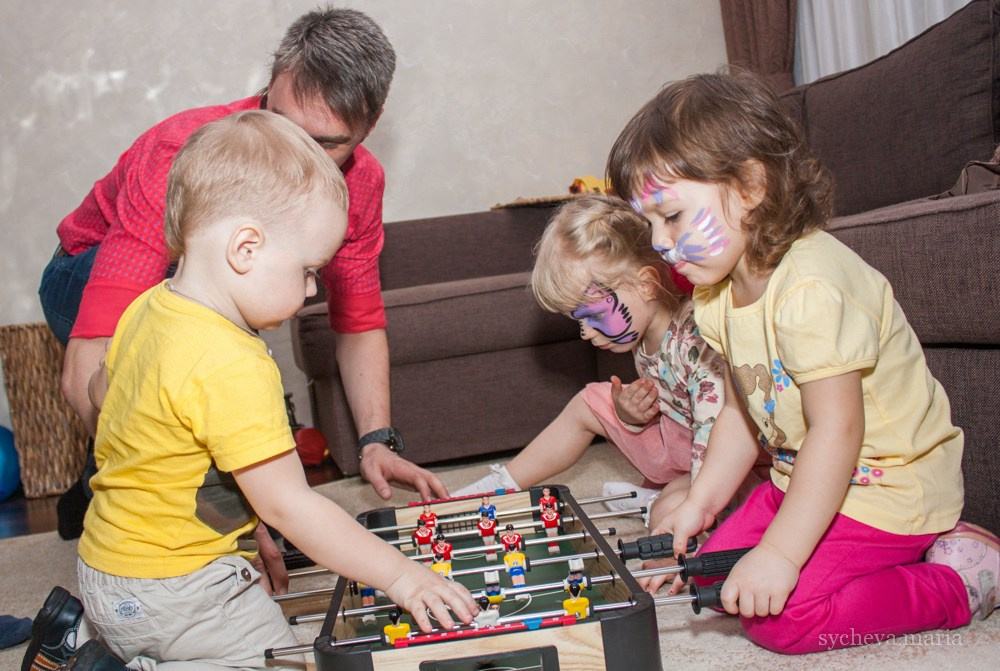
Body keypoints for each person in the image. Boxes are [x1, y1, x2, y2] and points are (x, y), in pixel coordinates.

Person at [26, 111, 475, 671]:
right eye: (309, 270)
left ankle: (76, 638)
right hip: (180, 590)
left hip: (105, 568)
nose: (313, 289)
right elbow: (291, 506)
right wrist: (401, 575)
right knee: (284, 660)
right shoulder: (234, 364)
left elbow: (99, 391)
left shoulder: (147, 307)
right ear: (246, 249)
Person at [606, 70, 999, 653]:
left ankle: (960, 580)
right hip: (804, 478)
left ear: (749, 187)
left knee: (781, 620)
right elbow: (743, 409)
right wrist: (700, 503)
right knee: (717, 575)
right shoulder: (715, 294)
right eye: (650, 225)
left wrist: (782, 555)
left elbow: (837, 431)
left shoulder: (811, 289)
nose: (660, 243)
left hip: (887, 488)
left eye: (673, 216)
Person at [38, 5, 448, 546]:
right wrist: (219, 508)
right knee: (183, 374)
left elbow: (358, 320)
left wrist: (376, 440)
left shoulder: (362, 183)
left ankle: (97, 487)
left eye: (325, 144)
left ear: (369, 129)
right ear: (269, 85)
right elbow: (82, 376)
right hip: (82, 271)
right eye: (281, 123)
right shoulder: (178, 156)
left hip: (202, 294)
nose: (293, 153)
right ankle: (108, 490)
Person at [454, 196, 762, 532]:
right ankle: (499, 486)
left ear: (646, 285)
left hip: (718, 461)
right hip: (674, 441)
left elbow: (717, 430)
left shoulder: (698, 340)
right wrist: (631, 415)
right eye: (578, 321)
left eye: (594, 316)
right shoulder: (641, 326)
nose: (585, 333)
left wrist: (696, 504)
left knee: (671, 511)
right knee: (587, 403)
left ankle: (656, 502)